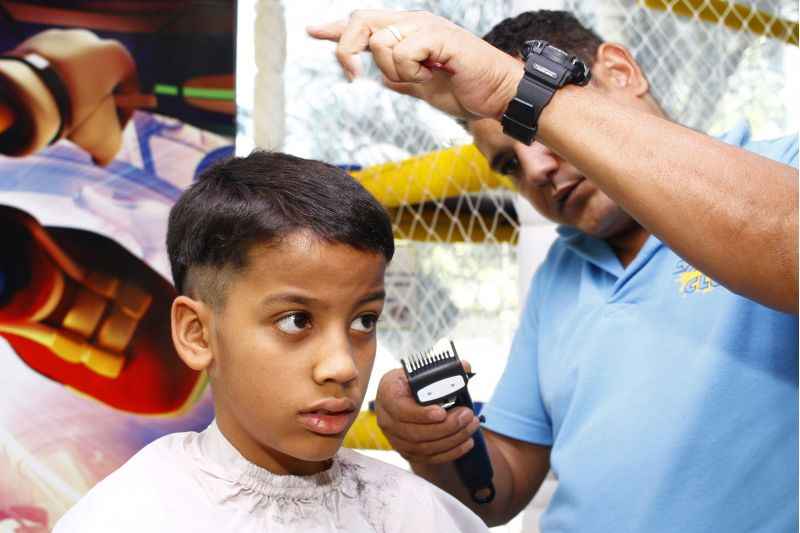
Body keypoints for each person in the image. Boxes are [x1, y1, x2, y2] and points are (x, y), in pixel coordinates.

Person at [308, 9, 799, 532]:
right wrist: (431, 441)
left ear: (621, 71)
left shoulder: (782, 170)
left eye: (539, 128)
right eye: (509, 164)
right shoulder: (560, 273)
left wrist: (508, 88)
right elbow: (497, 492)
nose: (537, 169)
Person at [53, 151, 489, 532]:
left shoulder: (415, 515)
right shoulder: (125, 519)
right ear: (197, 333)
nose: (343, 367)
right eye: (296, 321)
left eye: (363, 321)